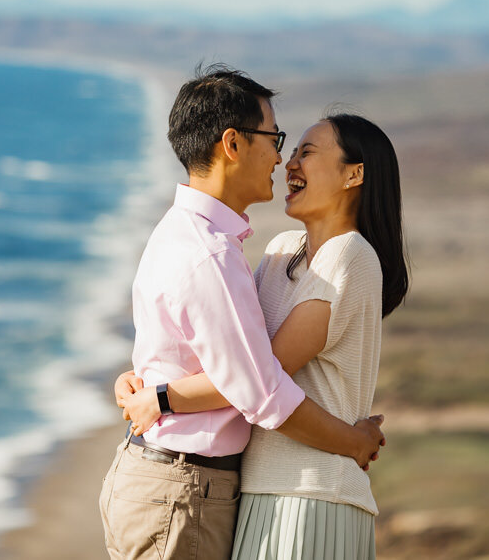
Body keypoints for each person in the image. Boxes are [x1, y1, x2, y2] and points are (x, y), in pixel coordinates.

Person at [98, 65, 386, 560]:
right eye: (276, 139)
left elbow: (217, 358)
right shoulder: (214, 253)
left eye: (297, 148)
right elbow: (259, 387)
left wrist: (153, 389)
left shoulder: (187, 235)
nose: (281, 158)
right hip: (183, 490)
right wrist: (354, 443)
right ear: (233, 144)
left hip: (190, 486)